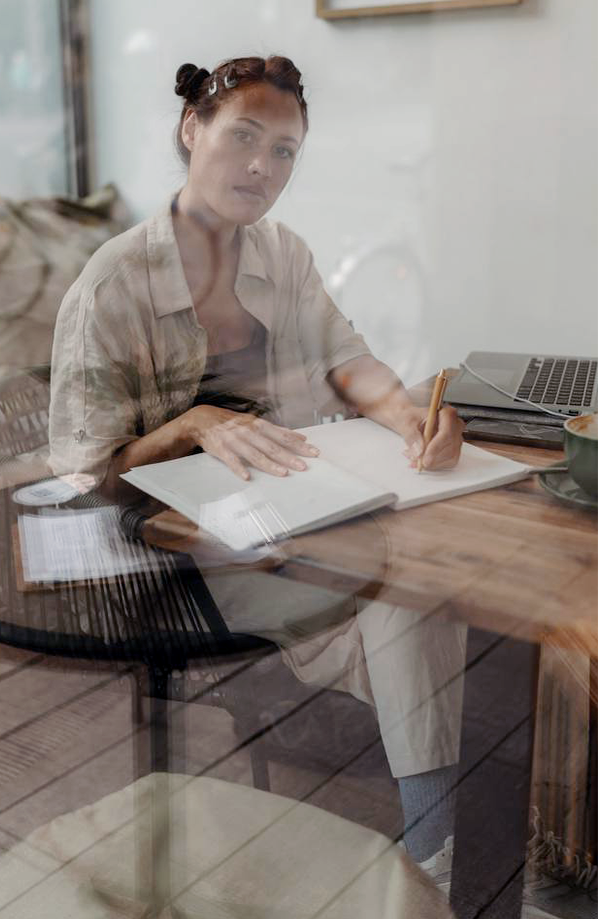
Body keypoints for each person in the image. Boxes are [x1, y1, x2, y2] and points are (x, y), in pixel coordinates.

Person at [49, 55, 465, 878]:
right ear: (191, 128)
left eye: (283, 151)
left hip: (292, 507)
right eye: (243, 137)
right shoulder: (113, 285)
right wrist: (189, 426)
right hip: (179, 549)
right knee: (409, 598)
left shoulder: (283, 252)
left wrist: (413, 418)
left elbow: (349, 360)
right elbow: (88, 475)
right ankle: (444, 853)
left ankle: (448, 842)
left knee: (430, 579)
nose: (261, 168)